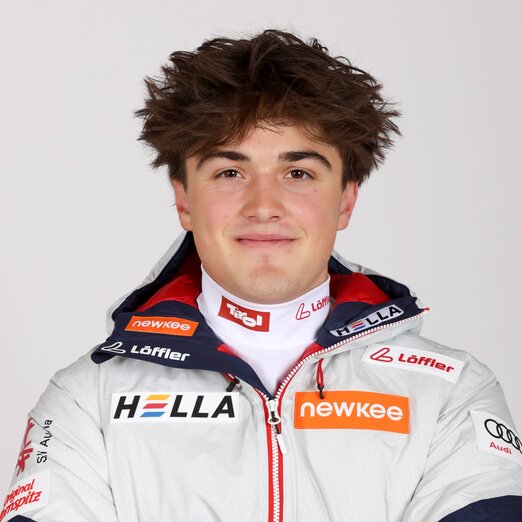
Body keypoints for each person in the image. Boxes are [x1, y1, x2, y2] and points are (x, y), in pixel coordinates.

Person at [3, 29, 521, 522]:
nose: (264, 205)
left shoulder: (452, 392)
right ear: (184, 199)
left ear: (346, 199)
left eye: (298, 173)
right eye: (230, 172)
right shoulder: (86, 400)